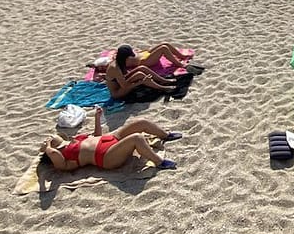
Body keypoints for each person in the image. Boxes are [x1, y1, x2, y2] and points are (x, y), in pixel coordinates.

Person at [41, 106, 180, 171]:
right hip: (106, 157)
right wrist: (46, 148)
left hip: (110, 140)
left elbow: (96, 136)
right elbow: (55, 156)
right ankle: (159, 162)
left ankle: (165, 135)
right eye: (47, 140)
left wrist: (96, 118)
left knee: (141, 122)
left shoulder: (73, 140)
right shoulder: (61, 157)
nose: (48, 138)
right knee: (136, 138)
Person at [104, 43, 188, 100]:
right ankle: (163, 88)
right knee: (140, 74)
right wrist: (141, 82)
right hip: (117, 92)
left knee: (142, 68)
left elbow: (124, 77)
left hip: (121, 83)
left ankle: (164, 81)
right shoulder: (115, 68)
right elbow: (125, 86)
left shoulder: (120, 62)